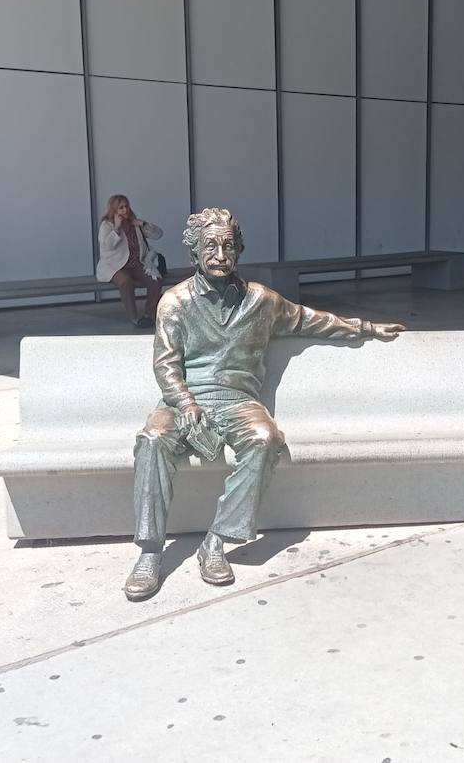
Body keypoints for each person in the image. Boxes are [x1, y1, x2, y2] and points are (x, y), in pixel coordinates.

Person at [123, 208, 405, 601]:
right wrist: (186, 404)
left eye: (227, 246)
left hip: (239, 401)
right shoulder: (175, 302)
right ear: (194, 252)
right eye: (210, 246)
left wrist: (367, 328)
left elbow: (313, 319)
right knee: (152, 439)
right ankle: (150, 551)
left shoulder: (262, 301)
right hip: (183, 399)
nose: (220, 254)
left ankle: (217, 541)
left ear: (238, 250)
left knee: (265, 437)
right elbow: (165, 365)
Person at [96, 194, 166, 328]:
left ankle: (149, 315)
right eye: (120, 208)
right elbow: (107, 246)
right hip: (116, 266)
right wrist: (116, 228)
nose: (125, 210)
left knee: (155, 280)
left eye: (126, 206)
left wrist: (143, 224)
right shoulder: (107, 225)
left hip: (137, 263)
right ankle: (134, 318)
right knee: (125, 282)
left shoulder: (135, 223)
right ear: (114, 210)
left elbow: (158, 234)